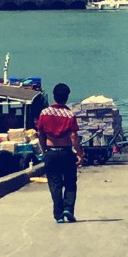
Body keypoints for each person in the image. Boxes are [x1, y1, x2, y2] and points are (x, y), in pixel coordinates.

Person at [35, 81, 84, 223]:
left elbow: (41, 133)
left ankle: (58, 215)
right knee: (70, 182)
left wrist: (44, 149)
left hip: (51, 152)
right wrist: (79, 153)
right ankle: (68, 208)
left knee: (55, 183)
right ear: (67, 97)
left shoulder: (44, 113)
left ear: (54, 96)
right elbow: (74, 137)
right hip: (66, 152)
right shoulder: (69, 115)